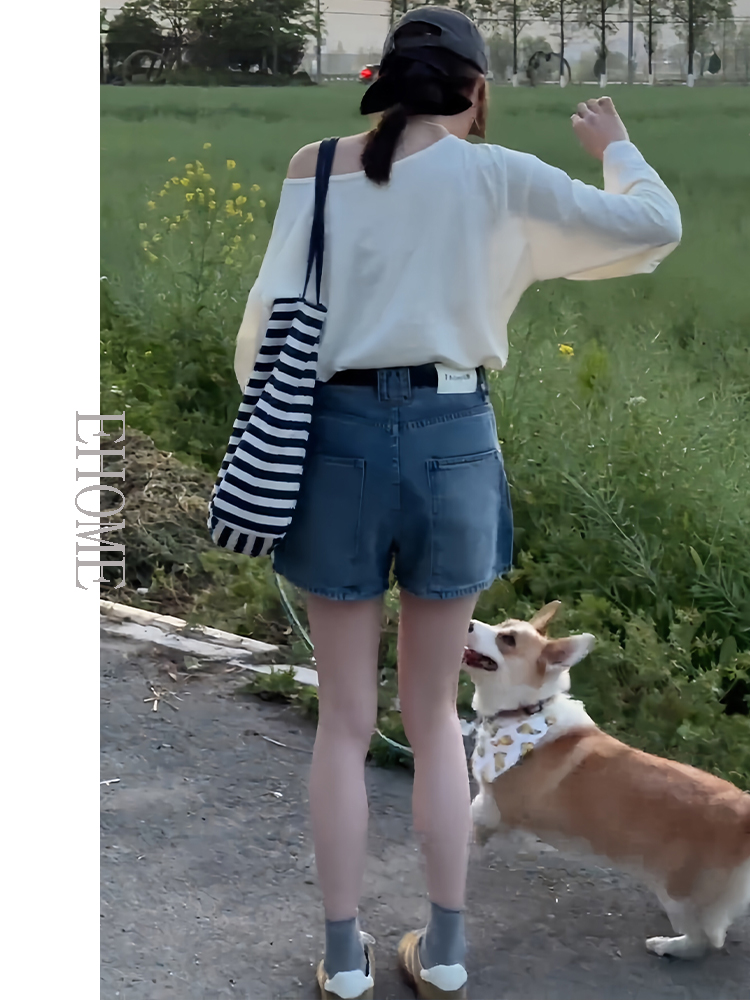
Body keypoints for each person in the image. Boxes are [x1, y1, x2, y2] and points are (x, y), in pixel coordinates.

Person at [234, 8, 681, 999]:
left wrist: (286, 430)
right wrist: (616, 149)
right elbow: (656, 226)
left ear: (384, 84)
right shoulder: (498, 174)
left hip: (335, 440)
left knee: (345, 720)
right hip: (452, 440)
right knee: (435, 714)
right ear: (476, 91)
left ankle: (343, 959)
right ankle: (442, 953)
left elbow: (263, 330)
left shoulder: (314, 167)